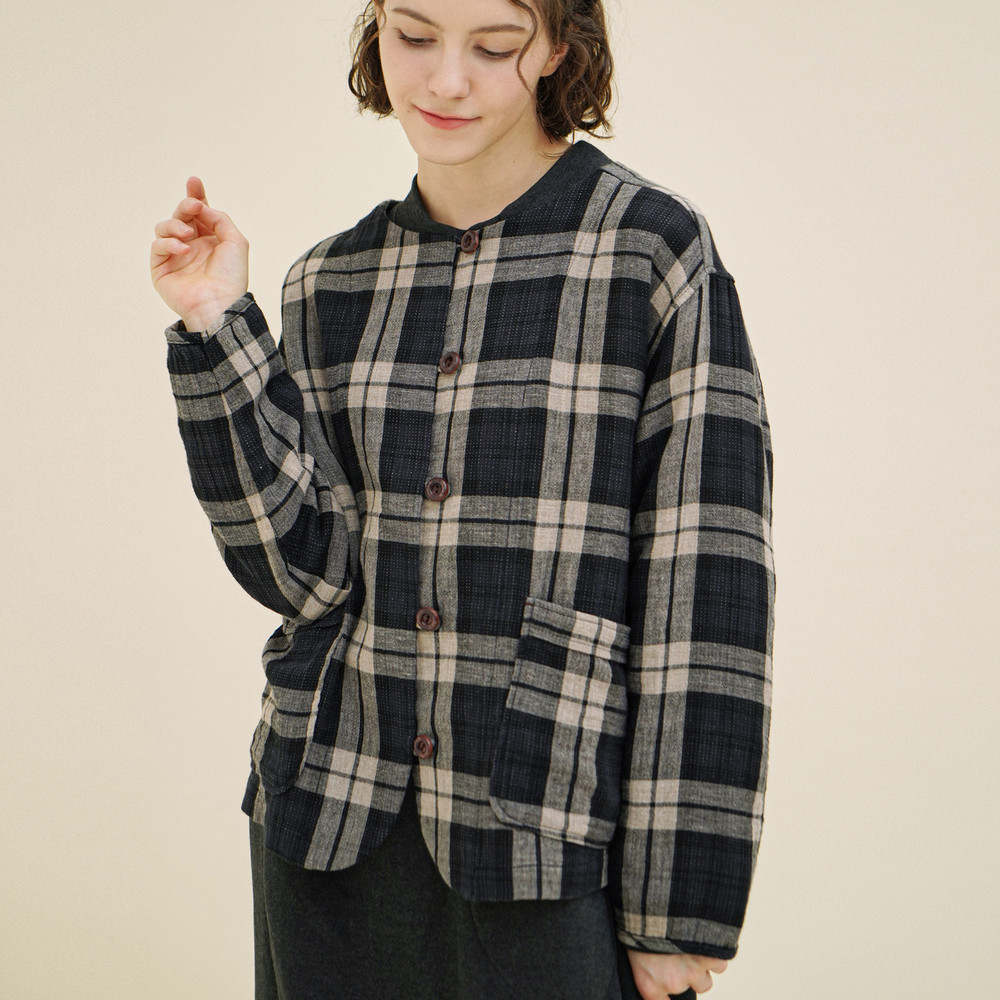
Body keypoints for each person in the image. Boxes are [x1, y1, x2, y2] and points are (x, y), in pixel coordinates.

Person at [150, 1, 774, 997]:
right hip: (326, 823)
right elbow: (301, 576)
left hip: (550, 832)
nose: (446, 81)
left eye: (493, 46)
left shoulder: (650, 255)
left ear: (558, 45)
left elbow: (708, 590)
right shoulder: (329, 282)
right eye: (414, 36)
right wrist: (217, 324)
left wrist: (678, 904)